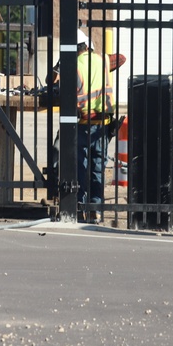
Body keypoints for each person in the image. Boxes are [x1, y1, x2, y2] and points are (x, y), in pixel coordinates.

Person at [74, 30, 114, 221]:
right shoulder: (102, 60)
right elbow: (120, 58)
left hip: (83, 123)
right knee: (98, 167)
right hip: (103, 124)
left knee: (81, 167)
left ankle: (79, 208)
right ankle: (95, 209)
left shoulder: (75, 65)